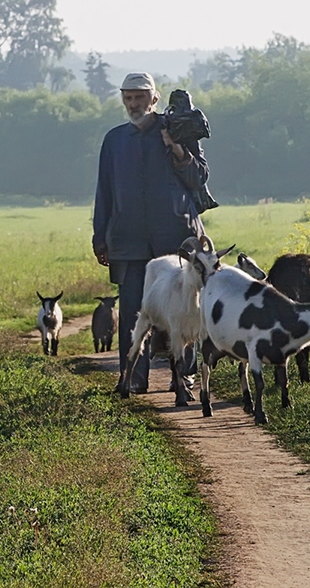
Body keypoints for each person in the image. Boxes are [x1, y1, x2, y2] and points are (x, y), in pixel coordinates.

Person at [91, 71, 211, 400]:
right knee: (133, 310)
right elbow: (104, 191)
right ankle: (133, 379)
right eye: (128, 98)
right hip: (128, 241)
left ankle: (183, 379)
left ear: (153, 99)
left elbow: (199, 177)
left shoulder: (178, 129)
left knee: (185, 308)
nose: (134, 104)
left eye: (140, 97)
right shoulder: (114, 140)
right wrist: (99, 235)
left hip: (176, 238)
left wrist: (176, 150)